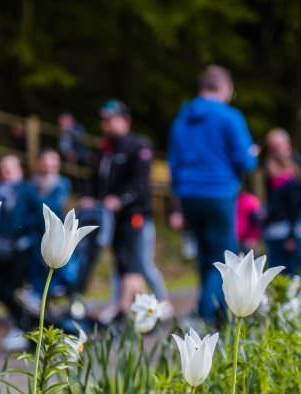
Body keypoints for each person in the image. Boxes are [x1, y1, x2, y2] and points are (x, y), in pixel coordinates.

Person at [168, 65, 257, 324]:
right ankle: (205, 316)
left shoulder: (182, 119)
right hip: (219, 193)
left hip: (188, 195)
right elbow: (245, 161)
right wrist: (251, 155)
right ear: (224, 87)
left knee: (204, 257)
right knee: (223, 258)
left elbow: (174, 164)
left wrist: (177, 204)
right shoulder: (229, 117)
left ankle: (217, 312)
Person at [80, 99, 164, 320]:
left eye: (111, 120)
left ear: (124, 120)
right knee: (123, 264)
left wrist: (120, 199)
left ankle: (154, 304)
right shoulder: (103, 151)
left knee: (140, 264)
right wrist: (89, 197)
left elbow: (141, 184)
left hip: (135, 216)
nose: (106, 124)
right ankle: (131, 308)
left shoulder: (138, 147)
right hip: (112, 219)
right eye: (104, 120)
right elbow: (94, 180)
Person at [0, 154, 40, 349]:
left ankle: (27, 328)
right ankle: (19, 325)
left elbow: (38, 218)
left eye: (10, 168)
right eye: (3, 168)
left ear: (20, 170)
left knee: (18, 292)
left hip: (21, 252)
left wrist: (27, 239)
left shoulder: (27, 191)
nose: (6, 172)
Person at [18, 149, 75, 313]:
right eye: (46, 162)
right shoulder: (30, 185)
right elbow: (25, 212)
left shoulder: (62, 183)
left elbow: (54, 207)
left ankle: (56, 289)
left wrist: (37, 197)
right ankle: (37, 294)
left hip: (54, 232)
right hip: (34, 233)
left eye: (53, 163)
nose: (50, 166)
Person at [264, 129, 301, 288]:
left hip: (298, 216)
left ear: (287, 144)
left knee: (299, 254)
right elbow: (271, 196)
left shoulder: (299, 162)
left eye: (277, 145)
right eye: (271, 147)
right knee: (283, 260)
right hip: (279, 221)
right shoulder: (268, 167)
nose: (275, 150)